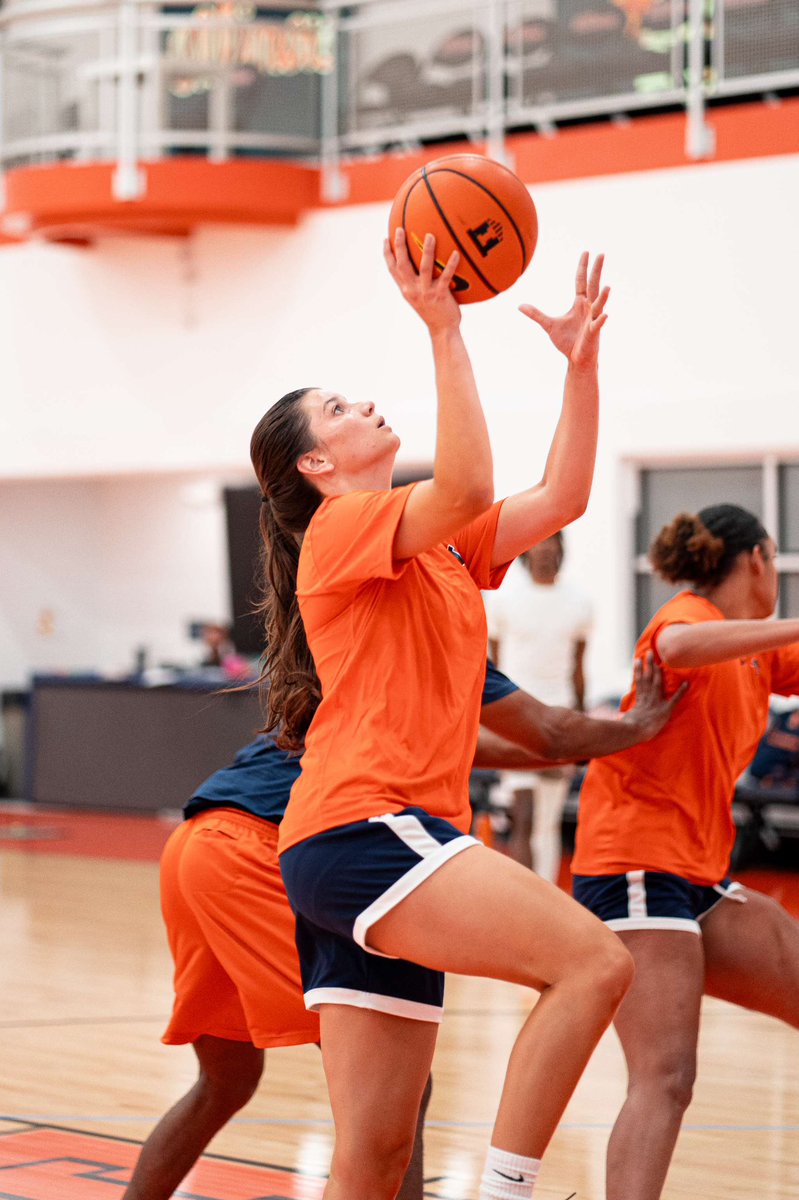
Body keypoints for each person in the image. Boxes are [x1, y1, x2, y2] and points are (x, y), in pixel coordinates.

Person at [251, 229, 633, 1200]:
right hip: (365, 826)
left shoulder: (443, 544)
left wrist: (579, 369)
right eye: (338, 409)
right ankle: (504, 1190)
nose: (365, 406)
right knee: (592, 961)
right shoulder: (337, 530)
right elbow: (463, 480)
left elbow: (564, 495)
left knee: (375, 1162)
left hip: (361, 843)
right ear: (315, 467)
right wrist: (444, 329)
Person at [122, 656, 681, 1200]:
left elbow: (490, 746)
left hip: (199, 841)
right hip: (261, 853)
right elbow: (551, 732)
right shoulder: (433, 627)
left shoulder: (366, 647)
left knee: (225, 1082)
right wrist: (636, 727)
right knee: (399, 1090)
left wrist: (567, 755)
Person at [571, 503, 799, 1200]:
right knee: (666, 1076)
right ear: (757, 560)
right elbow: (671, 650)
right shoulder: (690, 617)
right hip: (634, 865)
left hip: (694, 874)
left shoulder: (755, 651)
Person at [486, 530, 593, 879]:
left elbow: (579, 669)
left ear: (562, 549)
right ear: (526, 551)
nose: (545, 550)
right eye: (538, 543)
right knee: (524, 813)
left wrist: (582, 727)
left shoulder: (579, 602)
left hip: (558, 718)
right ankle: (522, 901)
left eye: (552, 543)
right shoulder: (505, 600)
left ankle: (544, 899)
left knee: (547, 821)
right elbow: (493, 666)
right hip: (515, 716)